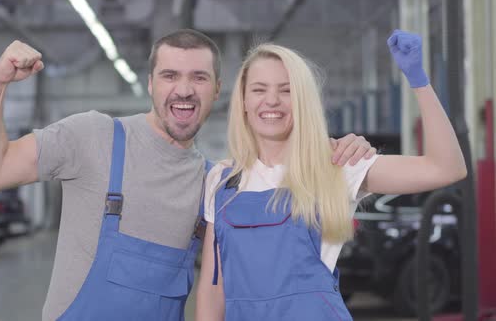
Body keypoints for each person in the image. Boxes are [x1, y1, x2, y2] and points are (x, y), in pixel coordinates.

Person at [0, 29, 376, 321]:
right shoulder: (93, 135)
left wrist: (339, 151)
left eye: (198, 77)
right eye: (170, 76)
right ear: (150, 84)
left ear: (217, 90)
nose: (184, 89)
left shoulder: (216, 184)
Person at [195, 29, 467, 321]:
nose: (271, 100)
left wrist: (419, 81)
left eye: (287, 90)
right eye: (259, 90)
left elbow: (446, 168)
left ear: (303, 101)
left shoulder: (336, 164)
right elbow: (214, 290)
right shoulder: (222, 180)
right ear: (244, 102)